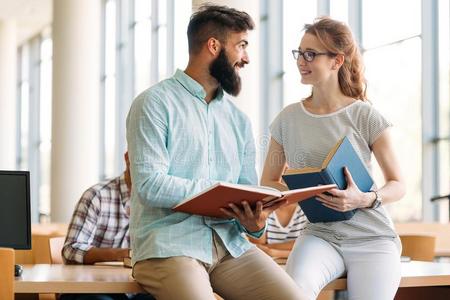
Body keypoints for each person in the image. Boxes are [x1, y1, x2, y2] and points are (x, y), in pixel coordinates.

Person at [126, 5, 307, 300]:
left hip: (230, 246)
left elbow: (246, 192)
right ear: (214, 46)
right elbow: (149, 185)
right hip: (170, 246)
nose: (246, 58)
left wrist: (255, 222)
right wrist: (217, 192)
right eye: (241, 46)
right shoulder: (153, 103)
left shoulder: (239, 120)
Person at [261, 17, 406, 300]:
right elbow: (268, 180)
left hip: (372, 238)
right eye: (299, 53)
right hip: (320, 236)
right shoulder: (286, 119)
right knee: (291, 294)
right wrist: (301, 193)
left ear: (337, 61)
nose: (301, 60)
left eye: (311, 54)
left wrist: (363, 199)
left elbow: (398, 184)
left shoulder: (365, 116)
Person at [61, 152, 154, 300]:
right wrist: (122, 254)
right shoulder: (97, 196)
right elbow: (70, 250)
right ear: (127, 157)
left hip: (138, 289)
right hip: (92, 289)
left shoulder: (159, 200)